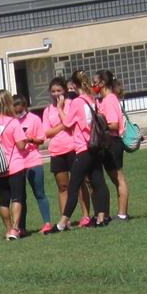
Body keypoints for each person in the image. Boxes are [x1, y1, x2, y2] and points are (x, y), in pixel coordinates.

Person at [51, 73, 110, 229]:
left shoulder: (77, 102)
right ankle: (101, 217)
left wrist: (60, 108)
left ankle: (62, 222)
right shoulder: (92, 99)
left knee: (73, 186)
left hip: (83, 148)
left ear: (75, 86)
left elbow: (68, 122)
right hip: (96, 147)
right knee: (99, 183)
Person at [0, 90, 29, 240]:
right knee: (17, 198)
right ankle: (16, 229)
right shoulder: (13, 122)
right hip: (15, 164)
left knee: (3, 200)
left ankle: (8, 229)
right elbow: (21, 145)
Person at [41, 79, 82, 228]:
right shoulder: (47, 111)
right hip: (57, 151)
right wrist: (63, 125)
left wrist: (61, 110)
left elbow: (73, 125)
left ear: (65, 90)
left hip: (74, 148)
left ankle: (85, 216)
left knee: (80, 184)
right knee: (63, 187)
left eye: (59, 90)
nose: (56, 94)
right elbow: (47, 132)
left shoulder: (72, 105)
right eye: (53, 91)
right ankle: (66, 220)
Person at [13, 93, 55, 234]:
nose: (18, 113)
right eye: (15, 111)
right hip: (17, 163)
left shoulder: (34, 119)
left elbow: (41, 139)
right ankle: (21, 227)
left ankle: (47, 223)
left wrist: (30, 140)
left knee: (39, 193)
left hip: (33, 160)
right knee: (20, 196)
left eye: (20, 110)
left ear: (25, 107)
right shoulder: (11, 121)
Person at [93, 70, 132, 222]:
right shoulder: (106, 99)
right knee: (115, 179)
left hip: (113, 143)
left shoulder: (109, 99)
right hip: (108, 143)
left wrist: (101, 125)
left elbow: (114, 124)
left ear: (102, 83)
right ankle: (117, 213)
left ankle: (122, 214)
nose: (93, 85)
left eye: (95, 82)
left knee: (119, 179)